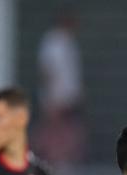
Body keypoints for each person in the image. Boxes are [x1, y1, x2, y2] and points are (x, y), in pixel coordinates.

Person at [34, 7, 86, 166]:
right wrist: (51, 98)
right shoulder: (53, 42)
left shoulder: (69, 42)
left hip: (68, 98)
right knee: (55, 134)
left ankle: (62, 163)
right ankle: (52, 162)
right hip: (57, 99)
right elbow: (47, 71)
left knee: (69, 133)